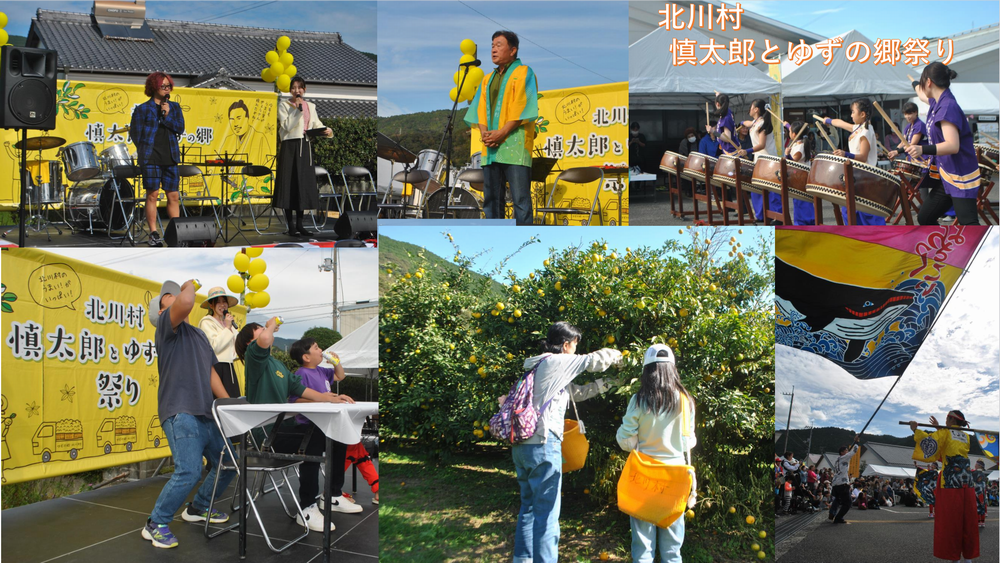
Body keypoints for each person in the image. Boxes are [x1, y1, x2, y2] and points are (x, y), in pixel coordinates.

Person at [236, 318, 362, 533]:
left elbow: (299, 389)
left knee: (337, 436)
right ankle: (306, 508)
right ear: (250, 345)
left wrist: (328, 398)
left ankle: (332, 494)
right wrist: (271, 324)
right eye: (261, 331)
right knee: (312, 439)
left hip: (282, 428)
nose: (268, 333)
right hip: (266, 436)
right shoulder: (254, 360)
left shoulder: (277, 365)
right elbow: (265, 339)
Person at [511, 322, 621, 563]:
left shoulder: (538, 366)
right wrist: (620, 357)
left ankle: (523, 559)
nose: (575, 349)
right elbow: (593, 360)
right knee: (547, 514)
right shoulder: (556, 361)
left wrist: (609, 383)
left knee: (529, 508)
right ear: (566, 344)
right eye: (575, 345)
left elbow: (576, 393)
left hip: (522, 446)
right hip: (542, 444)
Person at [143, 280, 234, 549]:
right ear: (161, 313)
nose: (176, 296)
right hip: (180, 411)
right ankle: (156, 522)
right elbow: (186, 302)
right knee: (190, 471)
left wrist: (228, 404)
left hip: (206, 412)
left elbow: (210, 372)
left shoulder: (197, 334)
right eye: (167, 297)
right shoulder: (165, 328)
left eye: (175, 293)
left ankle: (199, 507)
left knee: (228, 462)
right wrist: (186, 286)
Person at [616, 344, 695, 563]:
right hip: (675, 479)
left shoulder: (639, 400)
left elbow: (625, 440)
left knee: (642, 546)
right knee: (672, 549)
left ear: (646, 370)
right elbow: (689, 441)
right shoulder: (685, 401)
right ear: (673, 369)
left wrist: (638, 441)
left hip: (644, 477)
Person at [288, 337, 379, 505]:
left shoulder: (322, 371)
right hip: (309, 427)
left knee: (341, 444)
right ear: (306, 357)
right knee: (313, 459)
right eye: (316, 348)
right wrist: (324, 400)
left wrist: (336, 362)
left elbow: (340, 375)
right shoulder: (301, 374)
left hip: (327, 425)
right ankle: (309, 503)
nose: (320, 349)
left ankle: (333, 494)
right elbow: (294, 400)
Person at [464, 30, 539, 225]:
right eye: (492, 45)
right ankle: (495, 237)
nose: (493, 49)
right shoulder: (487, 79)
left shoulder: (524, 72)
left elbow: (524, 106)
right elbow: (479, 109)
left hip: (514, 145)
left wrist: (502, 133)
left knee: (520, 200)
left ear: (513, 50)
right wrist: (484, 134)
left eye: (499, 45)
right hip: (491, 147)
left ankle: (524, 238)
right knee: (491, 201)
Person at [906, 62, 982, 225]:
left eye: (921, 82)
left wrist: (921, 149)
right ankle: (946, 249)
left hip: (961, 176)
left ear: (928, 82)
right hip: (947, 176)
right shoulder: (937, 102)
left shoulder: (947, 107)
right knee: (925, 218)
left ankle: (985, 250)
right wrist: (914, 83)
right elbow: (921, 94)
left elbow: (952, 145)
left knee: (969, 224)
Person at [909, 412, 979, 562]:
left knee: (951, 521)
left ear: (951, 419)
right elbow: (947, 450)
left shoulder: (945, 432)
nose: (945, 421)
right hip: (967, 482)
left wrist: (916, 430)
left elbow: (931, 445)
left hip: (950, 481)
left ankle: (955, 558)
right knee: (968, 519)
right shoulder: (965, 436)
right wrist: (939, 429)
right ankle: (968, 558)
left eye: (947, 419)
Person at [130, 72, 184, 247]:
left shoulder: (174, 107)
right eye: (163, 86)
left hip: (170, 156)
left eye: (169, 86)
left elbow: (180, 128)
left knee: (173, 195)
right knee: (152, 195)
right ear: (154, 87)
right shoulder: (142, 109)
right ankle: (153, 232)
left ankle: (177, 233)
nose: (167, 89)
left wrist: (167, 117)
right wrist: (146, 150)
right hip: (151, 157)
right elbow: (135, 134)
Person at [276, 76, 333, 237]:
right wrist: (298, 110)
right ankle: (291, 226)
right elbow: (286, 126)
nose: (296, 91)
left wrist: (327, 130)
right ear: (290, 90)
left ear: (304, 89)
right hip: (289, 147)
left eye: (299, 88)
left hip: (305, 146)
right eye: (293, 88)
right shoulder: (284, 105)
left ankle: (300, 225)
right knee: (289, 186)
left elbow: (315, 124)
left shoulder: (311, 106)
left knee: (302, 186)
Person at [820, 98, 884, 225]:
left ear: (862, 114)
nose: (851, 115)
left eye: (853, 112)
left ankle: (868, 238)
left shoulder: (865, 131)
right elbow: (841, 123)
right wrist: (828, 120)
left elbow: (863, 157)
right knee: (851, 210)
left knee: (865, 213)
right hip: (857, 175)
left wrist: (846, 154)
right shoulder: (859, 128)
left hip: (865, 177)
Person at [735, 99, 780, 223]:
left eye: (751, 107)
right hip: (759, 160)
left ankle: (777, 217)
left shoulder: (763, 124)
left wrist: (747, 150)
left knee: (772, 190)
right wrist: (742, 122)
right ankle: (761, 215)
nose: (749, 109)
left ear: (756, 109)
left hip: (768, 160)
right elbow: (749, 123)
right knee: (757, 189)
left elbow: (762, 144)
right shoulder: (756, 122)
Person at [197, 287, 241, 399]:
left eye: (224, 301)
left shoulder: (228, 323)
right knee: (218, 404)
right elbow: (214, 346)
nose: (222, 305)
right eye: (218, 302)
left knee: (233, 403)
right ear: (211, 305)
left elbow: (237, 347)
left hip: (229, 368)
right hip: (216, 367)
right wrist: (227, 328)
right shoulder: (206, 322)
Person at [783, 120, 816, 225]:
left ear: (794, 134)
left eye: (790, 131)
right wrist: (787, 124)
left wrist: (787, 155)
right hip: (799, 177)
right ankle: (804, 222)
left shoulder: (800, 147)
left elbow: (793, 161)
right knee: (799, 202)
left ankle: (804, 223)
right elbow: (792, 130)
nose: (789, 133)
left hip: (801, 178)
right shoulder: (799, 143)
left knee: (802, 202)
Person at [828, 435, 860, 524]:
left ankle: (832, 513)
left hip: (835, 483)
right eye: (846, 450)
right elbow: (854, 451)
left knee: (838, 499)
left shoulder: (838, 460)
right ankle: (838, 517)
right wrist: (856, 442)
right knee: (847, 503)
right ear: (842, 452)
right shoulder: (844, 457)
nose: (847, 451)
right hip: (842, 484)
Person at [972, 460, 988, 528]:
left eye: (976, 464)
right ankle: (982, 522)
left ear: (979, 466)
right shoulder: (983, 474)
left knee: (978, 506)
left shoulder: (975, 473)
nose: (975, 465)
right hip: (982, 492)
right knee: (982, 506)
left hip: (977, 491)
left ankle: (979, 522)